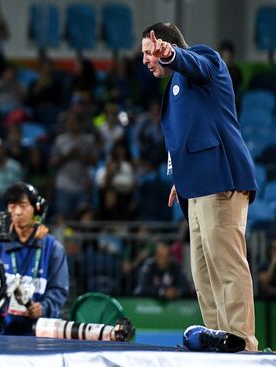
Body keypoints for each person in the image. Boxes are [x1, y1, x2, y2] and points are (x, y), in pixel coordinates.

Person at [141, 23, 258, 350]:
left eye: (150, 52)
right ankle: (220, 342)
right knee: (204, 275)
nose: (146, 60)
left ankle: (243, 343)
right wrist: (181, 176)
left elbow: (198, 65)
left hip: (221, 179)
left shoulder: (201, 59)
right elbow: (190, 133)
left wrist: (174, 55)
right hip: (196, 186)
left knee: (227, 265)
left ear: (166, 46)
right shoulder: (175, 86)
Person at [0, 182, 69, 335]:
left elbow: (59, 291)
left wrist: (44, 307)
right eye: (12, 206)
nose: (18, 212)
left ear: (36, 209)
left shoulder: (53, 249)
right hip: (1, 334)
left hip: (39, 334)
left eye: (23, 205)